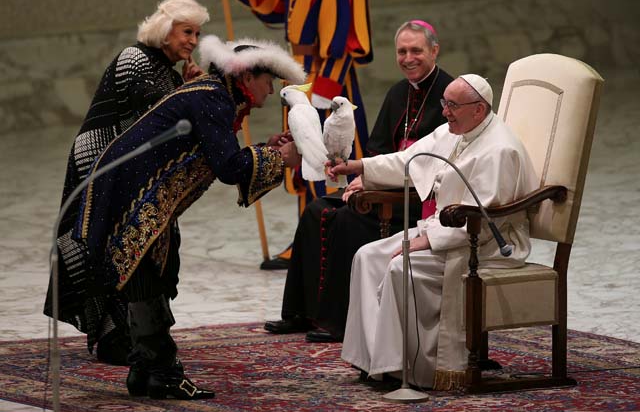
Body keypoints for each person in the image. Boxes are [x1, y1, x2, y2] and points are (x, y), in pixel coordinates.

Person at [47, 34, 306, 400]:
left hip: (130, 188)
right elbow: (230, 166)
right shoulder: (213, 98)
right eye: (269, 81)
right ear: (247, 78)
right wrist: (282, 159)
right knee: (147, 274)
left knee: (150, 272)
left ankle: (146, 372)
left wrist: (266, 151)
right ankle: (163, 373)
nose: (270, 90)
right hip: (129, 191)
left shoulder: (212, 93)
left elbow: (219, 156)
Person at [329, 75, 539, 390]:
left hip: (484, 246)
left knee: (401, 265)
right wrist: (360, 167)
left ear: (478, 110)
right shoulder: (454, 131)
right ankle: (376, 362)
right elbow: (409, 160)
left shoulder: (500, 150)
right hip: (445, 232)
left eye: (452, 105)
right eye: (444, 103)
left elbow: (483, 218)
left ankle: (411, 369)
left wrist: (424, 241)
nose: (444, 112)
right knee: (368, 256)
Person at [44, 0, 210, 366]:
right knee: (106, 244)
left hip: (129, 169)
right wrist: (191, 92)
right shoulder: (135, 58)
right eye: (187, 32)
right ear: (166, 31)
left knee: (131, 244)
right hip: (100, 163)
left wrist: (186, 87)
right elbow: (157, 108)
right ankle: (113, 336)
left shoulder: (166, 68)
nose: (194, 41)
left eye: (198, 34)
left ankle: (133, 331)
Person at [264, 20, 453, 342]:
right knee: (316, 210)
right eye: (402, 51)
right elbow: (378, 148)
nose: (408, 58)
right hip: (383, 185)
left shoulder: (448, 94)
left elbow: (438, 162)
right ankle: (301, 312)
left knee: (346, 221)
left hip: (416, 200)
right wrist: (362, 179)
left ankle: (339, 322)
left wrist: (372, 182)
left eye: (416, 50)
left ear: (434, 50)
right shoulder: (398, 93)